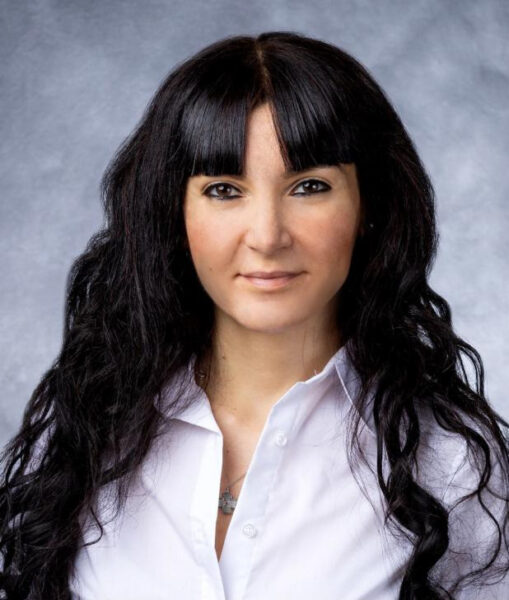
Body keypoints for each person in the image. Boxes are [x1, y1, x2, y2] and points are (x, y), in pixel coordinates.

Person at [1, 31, 508, 600]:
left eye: (309, 186)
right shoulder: (88, 431)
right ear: (174, 213)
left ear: (369, 206)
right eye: (224, 190)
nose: (267, 236)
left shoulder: (452, 468)